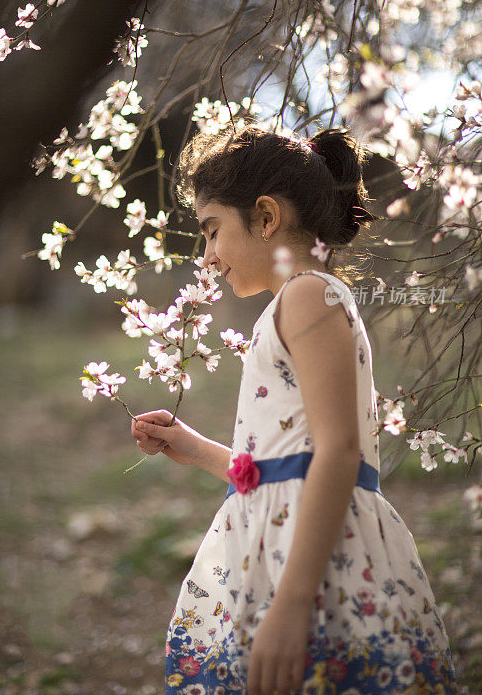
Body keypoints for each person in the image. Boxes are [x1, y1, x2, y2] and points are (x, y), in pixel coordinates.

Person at [130, 124, 458, 695]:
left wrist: (293, 603)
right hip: (281, 548)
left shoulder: (309, 294)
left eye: (213, 231)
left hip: (312, 566)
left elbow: (338, 451)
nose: (207, 256)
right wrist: (196, 448)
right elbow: (283, 466)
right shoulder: (296, 301)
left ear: (264, 217)